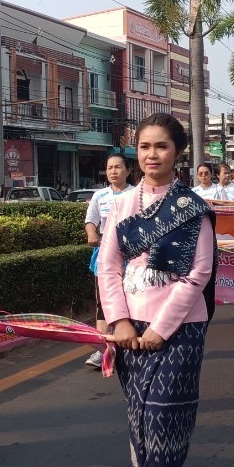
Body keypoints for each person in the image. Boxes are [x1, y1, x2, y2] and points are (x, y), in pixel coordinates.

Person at [97, 113, 215, 467]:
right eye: (144, 147)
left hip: (181, 329)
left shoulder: (194, 207)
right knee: (141, 420)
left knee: (166, 419)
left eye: (161, 147)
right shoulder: (122, 205)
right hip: (130, 327)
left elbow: (199, 272)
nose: (151, 155)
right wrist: (120, 321)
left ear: (177, 152)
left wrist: (162, 329)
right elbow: (109, 266)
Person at [84, 154, 134, 369]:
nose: (113, 171)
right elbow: (90, 221)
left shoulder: (137, 194)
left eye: (117, 167)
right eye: (109, 168)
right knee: (103, 301)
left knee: (131, 298)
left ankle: (129, 343)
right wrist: (91, 233)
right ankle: (103, 348)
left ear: (128, 171)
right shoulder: (99, 195)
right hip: (104, 256)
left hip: (132, 256)